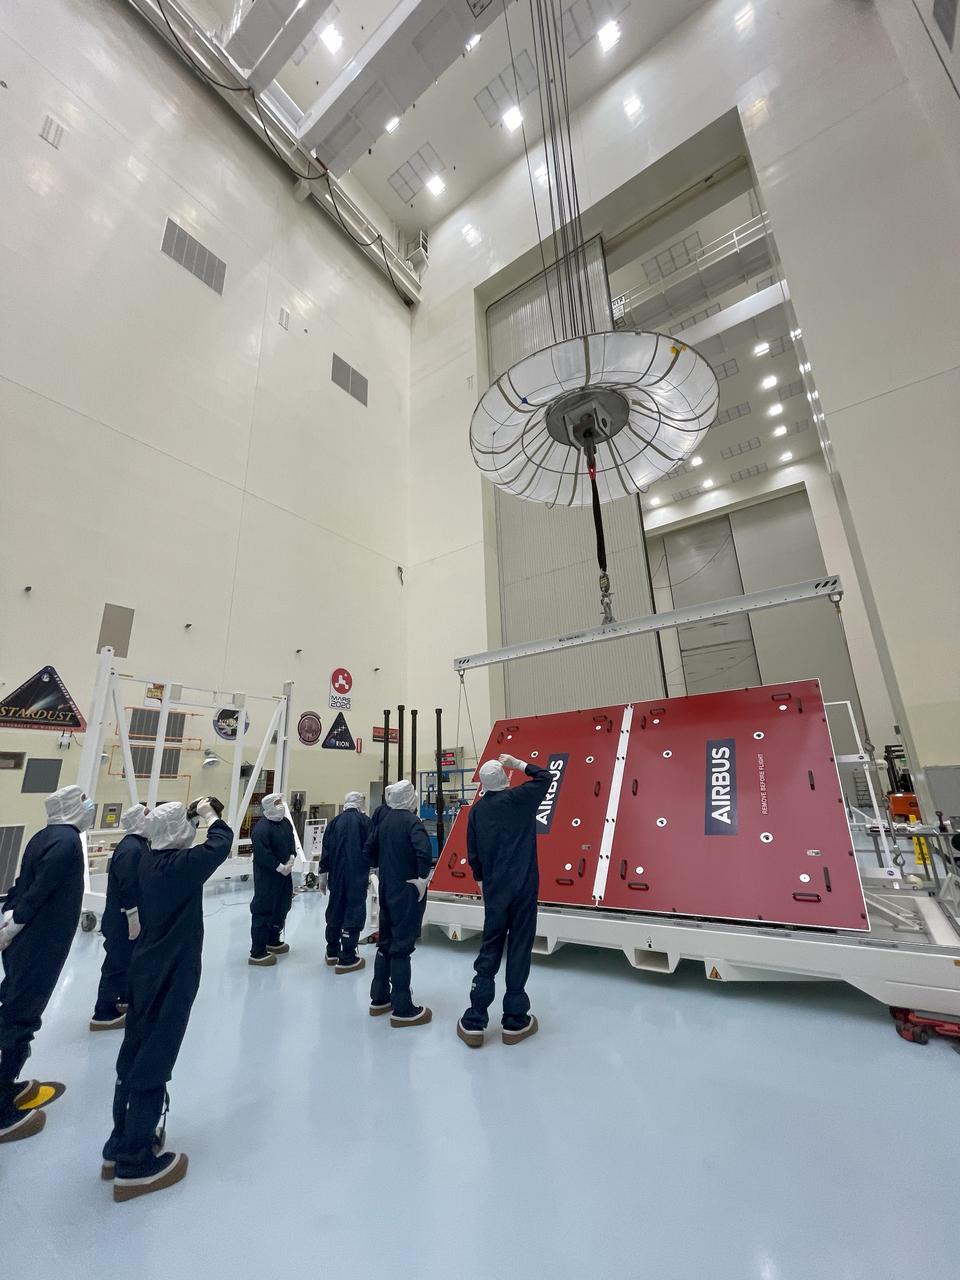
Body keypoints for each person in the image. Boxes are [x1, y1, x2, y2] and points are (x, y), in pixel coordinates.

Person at [102, 797, 232, 1202]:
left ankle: (119, 1142)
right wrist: (210, 815)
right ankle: (136, 1161)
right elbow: (221, 843)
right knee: (156, 1054)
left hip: (145, 967)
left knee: (135, 1048)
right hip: (172, 971)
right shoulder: (180, 868)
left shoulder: (144, 860)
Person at [0, 784, 92, 1143]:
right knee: (21, 1018)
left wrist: (10, 917)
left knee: (12, 1008)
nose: (90, 807)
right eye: (85, 802)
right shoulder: (67, 843)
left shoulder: (45, 836)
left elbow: (25, 883)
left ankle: (7, 1083)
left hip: (27, 939)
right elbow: (40, 890)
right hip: (41, 942)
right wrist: (18, 921)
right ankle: (3, 1107)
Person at [457, 753, 553, 1049]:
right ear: (506, 778)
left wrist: (484, 883)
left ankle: (475, 1019)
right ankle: (514, 1019)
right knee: (520, 947)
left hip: (495, 891)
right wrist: (518, 763)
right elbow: (546, 777)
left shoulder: (477, 812)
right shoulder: (521, 799)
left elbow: (473, 853)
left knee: (491, 948)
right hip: (524, 888)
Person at [364, 780, 432, 1027]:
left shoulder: (384, 822)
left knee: (386, 942)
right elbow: (423, 851)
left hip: (387, 887)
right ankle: (403, 1008)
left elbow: (369, 850)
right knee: (402, 945)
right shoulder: (412, 822)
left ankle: (379, 997)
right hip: (407, 889)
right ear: (409, 798)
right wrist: (422, 878)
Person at [90, 803, 149, 1031]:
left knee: (128, 961)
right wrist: (132, 914)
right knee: (117, 963)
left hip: (126, 916)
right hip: (122, 919)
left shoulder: (137, 844)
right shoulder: (131, 848)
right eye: (146, 815)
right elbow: (129, 884)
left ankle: (123, 999)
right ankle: (103, 1013)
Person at [319, 791, 372, 973]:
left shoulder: (334, 823)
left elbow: (325, 849)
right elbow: (371, 848)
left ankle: (332, 951)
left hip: (336, 876)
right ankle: (347, 957)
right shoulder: (365, 822)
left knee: (335, 908)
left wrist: (322, 873)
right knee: (354, 910)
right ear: (359, 803)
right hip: (356, 876)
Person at [248, 792, 296, 966]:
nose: (281, 805)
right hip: (267, 877)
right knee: (264, 909)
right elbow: (262, 854)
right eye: (277, 803)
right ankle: (258, 951)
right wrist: (278, 866)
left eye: (281, 802)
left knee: (283, 906)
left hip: (285, 875)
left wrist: (291, 858)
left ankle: (273, 939)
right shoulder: (261, 828)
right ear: (268, 806)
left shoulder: (285, 823)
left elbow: (291, 843)